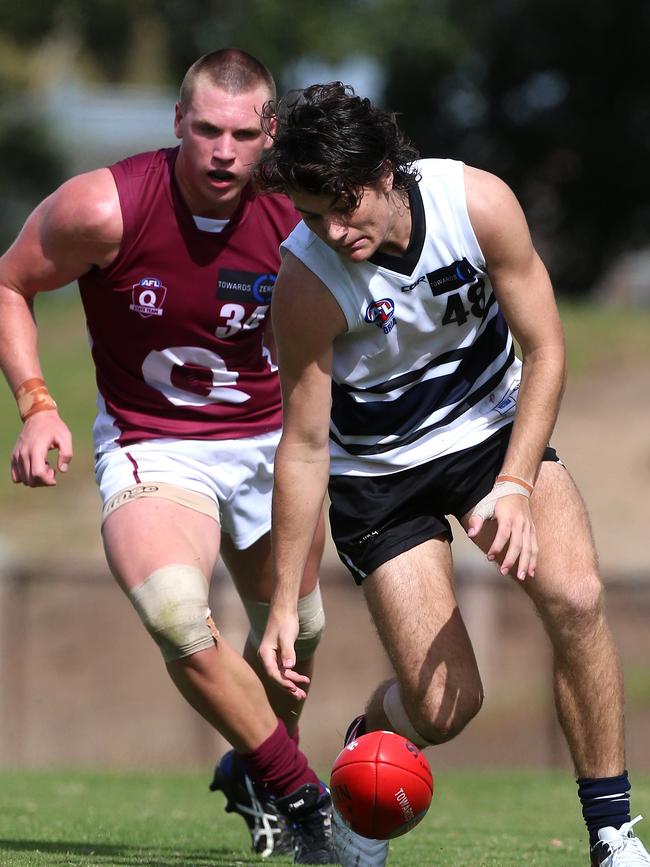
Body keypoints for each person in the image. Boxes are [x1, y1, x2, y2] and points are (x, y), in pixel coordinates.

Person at [255, 82, 650, 867]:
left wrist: (515, 483)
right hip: (379, 474)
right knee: (443, 706)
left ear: (385, 169)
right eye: (311, 214)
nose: (334, 229)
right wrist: (281, 601)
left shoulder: (479, 204)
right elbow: (302, 447)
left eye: (344, 203)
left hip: (492, 431)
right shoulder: (303, 281)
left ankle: (612, 833)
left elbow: (546, 351)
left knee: (576, 596)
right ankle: (368, 748)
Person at [0, 51, 336, 864]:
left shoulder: (301, 215)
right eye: (208, 130)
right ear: (178, 124)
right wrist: (37, 404)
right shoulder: (103, 206)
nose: (224, 150)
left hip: (269, 443)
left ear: (270, 135)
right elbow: (10, 282)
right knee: (177, 615)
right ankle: (305, 800)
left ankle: (257, 764)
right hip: (153, 442)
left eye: (244, 134)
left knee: (299, 636)